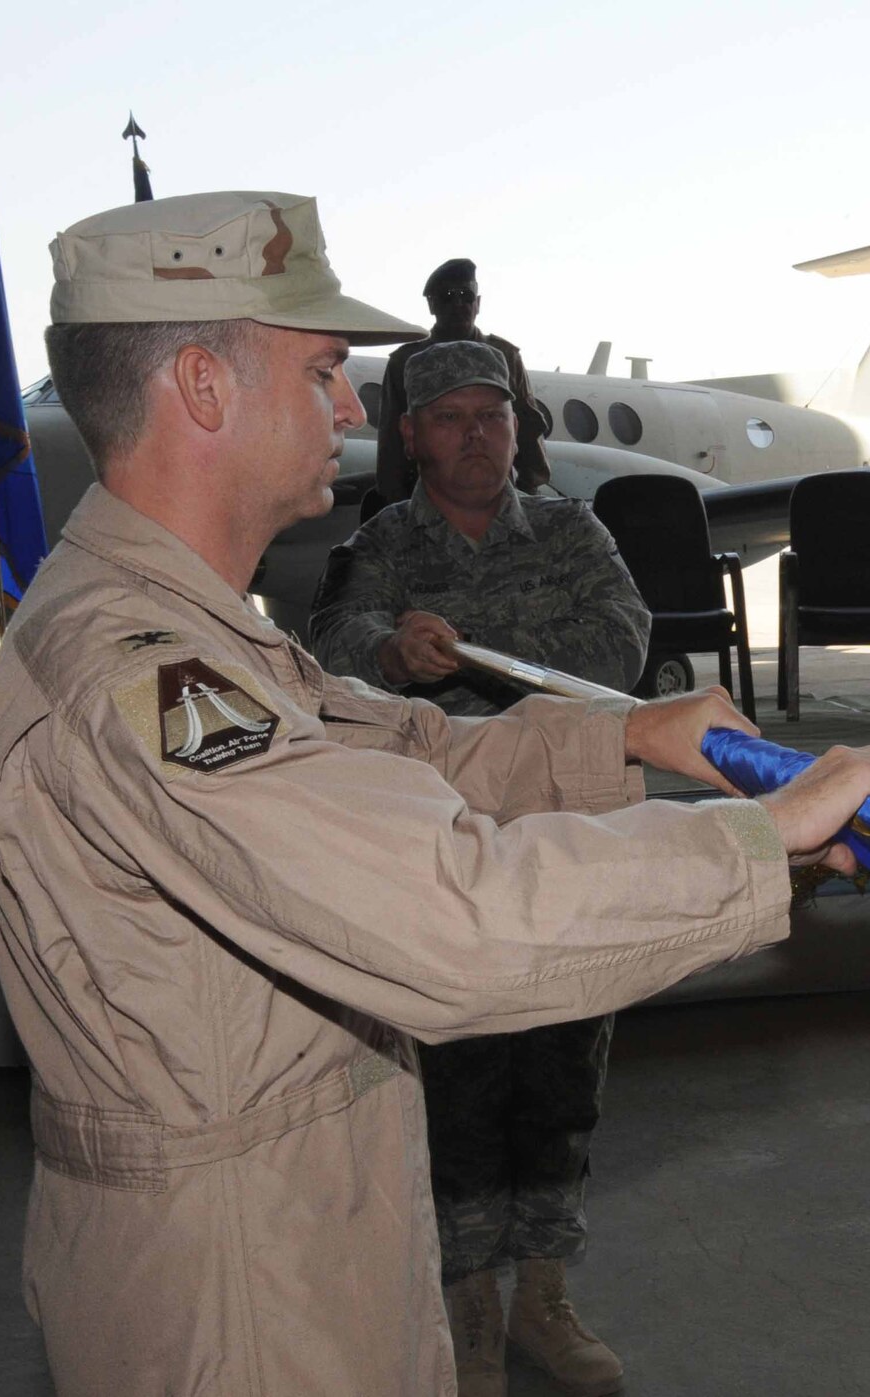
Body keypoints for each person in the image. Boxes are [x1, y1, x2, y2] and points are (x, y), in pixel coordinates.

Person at [0, 190, 870, 1397]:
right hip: (238, 1298)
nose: (352, 408)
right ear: (203, 387)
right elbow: (448, 914)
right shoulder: (141, 670)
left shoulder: (199, 633)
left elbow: (404, 749)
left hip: (293, 1235)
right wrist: (758, 839)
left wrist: (630, 733)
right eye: (323, 370)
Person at [310, 339, 651, 1396]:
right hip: (439, 847)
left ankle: (543, 1295)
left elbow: (620, 644)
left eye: (492, 416)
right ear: (411, 435)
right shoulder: (383, 543)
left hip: (559, 838)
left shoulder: (571, 530)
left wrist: (469, 650)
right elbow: (329, 647)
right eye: (451, 418)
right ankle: (470, 1306)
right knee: (453, 1076)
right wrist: (390, 651)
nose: (475, 436)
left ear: (517, 428)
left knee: (562, 1067)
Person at [374, 257, 554, 505]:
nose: (458, 304)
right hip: (427, 498)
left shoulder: (504, 356)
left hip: (496, 498)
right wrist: (396, 504)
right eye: (447, 296)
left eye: (466, 296)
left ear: (478, 304)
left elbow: (526, 425)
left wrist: (529, 493)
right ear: (432, 305)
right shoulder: (405, 362)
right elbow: (391, 441)